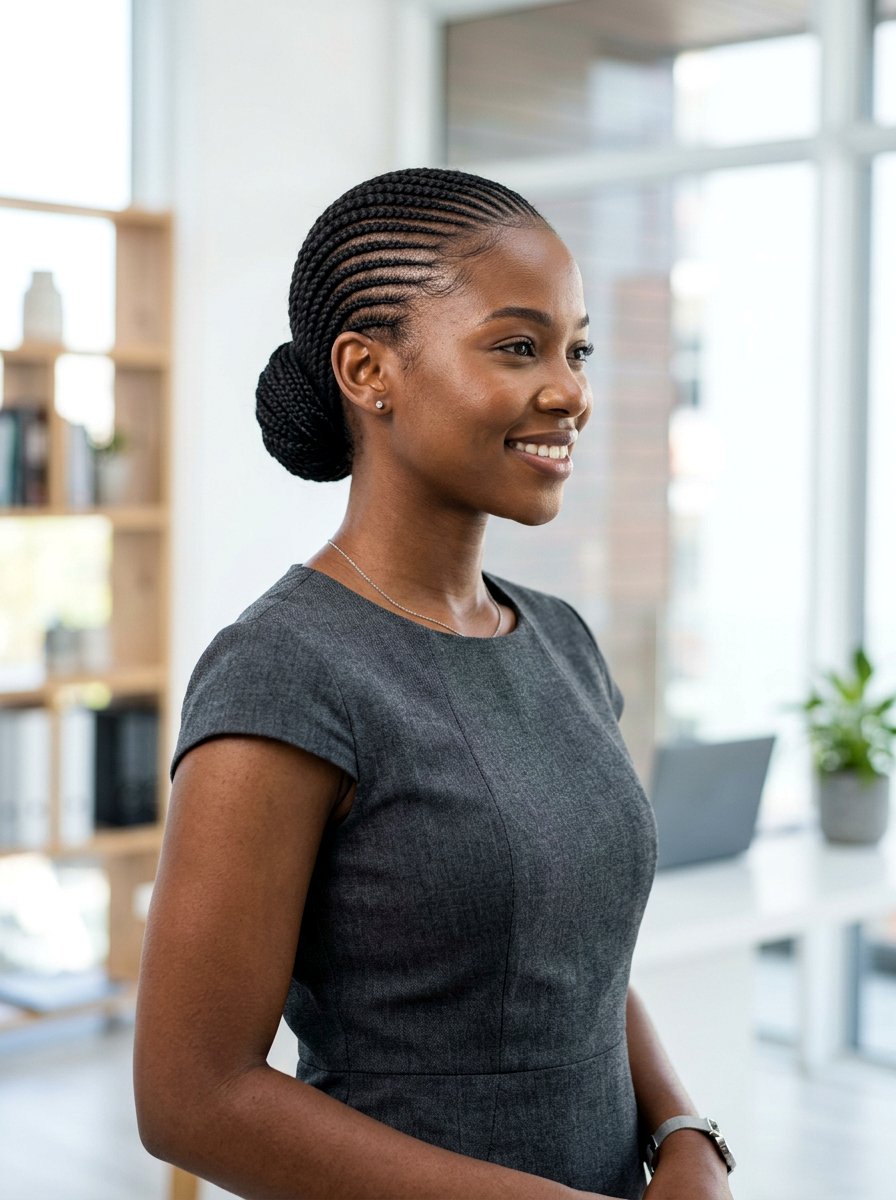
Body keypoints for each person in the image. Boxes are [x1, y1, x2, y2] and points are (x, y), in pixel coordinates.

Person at [134, 167, 735, 1200]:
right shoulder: (286, 671)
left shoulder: (559, 640)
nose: (570, 390)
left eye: (576, 348)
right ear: (369, 370)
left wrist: (683, 1131)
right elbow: (191, 1097)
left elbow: (573, 961)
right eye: (517, 345)